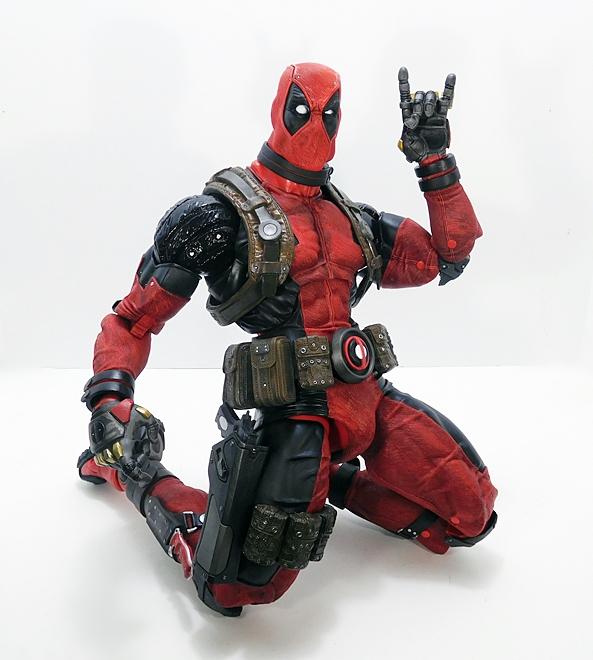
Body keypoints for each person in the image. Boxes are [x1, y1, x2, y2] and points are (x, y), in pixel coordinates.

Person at [78, 62, 498, 617]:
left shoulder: (352, 219)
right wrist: (110, 398)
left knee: (470, 516)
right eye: (303, 109)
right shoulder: (216, 218)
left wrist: (434, 160)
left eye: (330, 113)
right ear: (279, 109)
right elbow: (134, 320)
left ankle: (335, 481)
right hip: (296, 413)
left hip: (367, 396)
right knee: (234, 588)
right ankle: (136, 475)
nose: (317, 124)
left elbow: (448, 255)